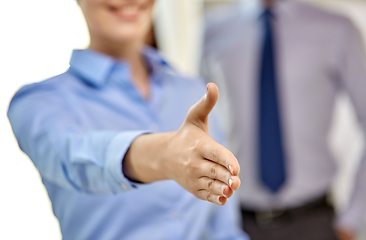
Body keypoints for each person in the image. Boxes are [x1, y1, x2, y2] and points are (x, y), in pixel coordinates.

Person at [7, 0, 249, 239]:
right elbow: (73, 154)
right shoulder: (38, 102)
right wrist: (165, 155)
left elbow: (224, 228)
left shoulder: (195, 92)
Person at [200, 0, 366, 239]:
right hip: (236, 225)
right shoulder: (212, 30)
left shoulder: (337, 29)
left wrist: (352, 219)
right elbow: (201, 129)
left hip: (315, 222)